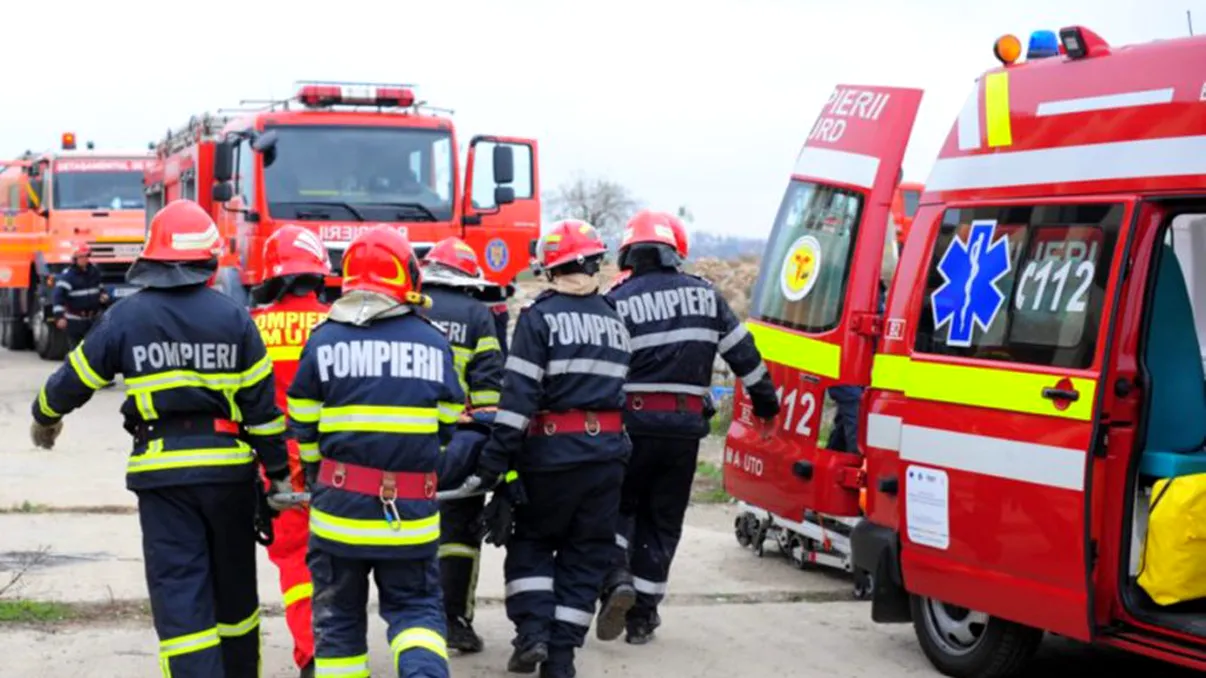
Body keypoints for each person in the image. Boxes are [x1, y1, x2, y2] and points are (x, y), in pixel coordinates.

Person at [29, 199, 291, 677]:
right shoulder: (236, 319)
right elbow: (264, 413)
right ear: (208, 260)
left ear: (153, 257)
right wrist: (276, 475)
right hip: (230, 476)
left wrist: (44, 416)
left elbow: (76, 377)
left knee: (181, 595)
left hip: (163, 477)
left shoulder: (128, 317)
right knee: (234, 595)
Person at [286, 226, 464, 678]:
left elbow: (302, 421)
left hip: (338, 512)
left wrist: (311, 470)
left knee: (339, 621)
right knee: (417, 611)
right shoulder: (433, 342)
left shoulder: (324, 339)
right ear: (407, 277)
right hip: (411, 515)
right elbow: (446, 423)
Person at [599, 209, 780, 645]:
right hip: (682, 430)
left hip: (629, 426)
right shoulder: (707, 295)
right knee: (663, 521)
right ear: (675, 250)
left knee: (620, 509)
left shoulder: (616, 299)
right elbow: (745, 355)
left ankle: (618, 578)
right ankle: (643, 617)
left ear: (629, 252)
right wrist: (767, 407)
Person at [462, 219, 632, 678]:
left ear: (551, 268)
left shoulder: (539, 318)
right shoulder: (616, 319)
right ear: (595, 261)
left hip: (551, 457)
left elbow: (517, 401)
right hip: (607, 458)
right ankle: (561, 660)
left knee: (532, 544)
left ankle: (534, 631)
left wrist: (494, 465)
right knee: (585, 554)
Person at [248, 225, 333, 678]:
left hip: (278, 466)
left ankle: (311, 653)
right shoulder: (339, 323)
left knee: (296, 564)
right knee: (344, 559)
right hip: (337, 463)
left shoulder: (254, 325)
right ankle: (343, 649)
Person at [418, 236, 506, 653]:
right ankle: (455, 622)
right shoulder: (478, 314)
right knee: (458, 536)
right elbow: (489, 395)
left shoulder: (407, 307)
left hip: (402, 443)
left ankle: (413, 621)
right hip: (458, 445)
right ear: (469, 279)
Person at [53, 243, 110, 349]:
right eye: (81, 257)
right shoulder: (68, 276)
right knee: (76, 353)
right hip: (75, 322)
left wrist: (104, 296)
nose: (85, 259)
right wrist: (59, 317)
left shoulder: (94, 272)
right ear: (75, 259)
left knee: (93, 351)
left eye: (87, 256)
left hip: (92, 320)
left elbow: (100, 288)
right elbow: (58, 297)